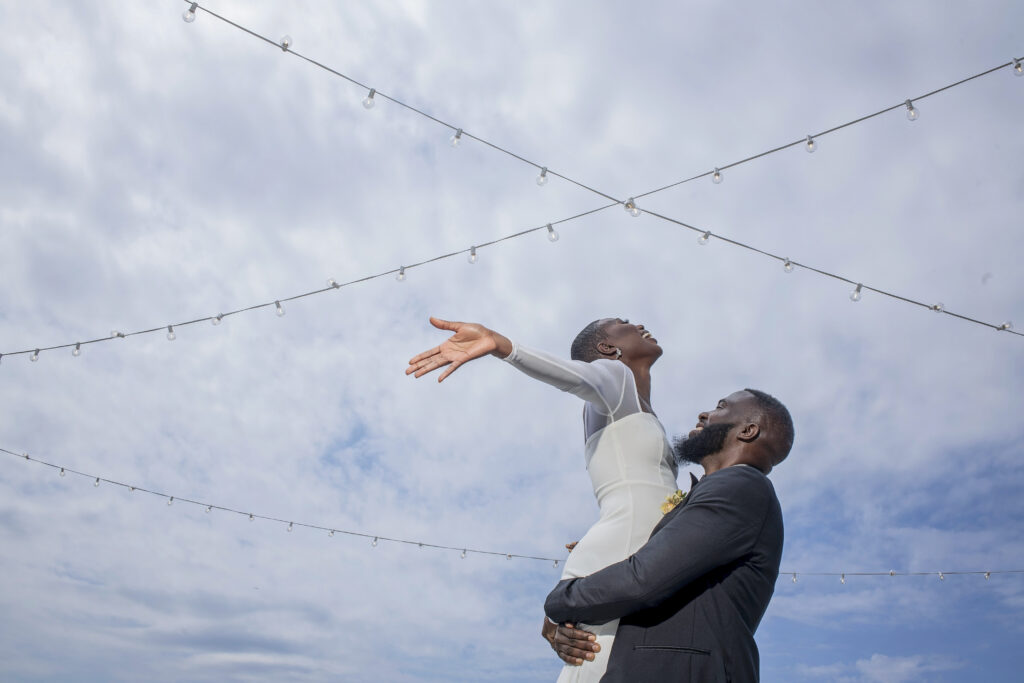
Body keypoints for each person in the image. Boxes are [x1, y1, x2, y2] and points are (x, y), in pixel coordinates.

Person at [407, 316, 679, 682]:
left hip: (629, 553)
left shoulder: (630, 404)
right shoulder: (617, 381)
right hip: (623, 551)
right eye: (625, 323)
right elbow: (575, 376)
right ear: (606, 349)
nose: (640, 324)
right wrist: (501, 344)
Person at [544, 389, 794, 682]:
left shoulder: (741, 486)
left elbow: (643, 579)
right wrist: (571, 623)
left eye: (721, 406)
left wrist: (560, 600)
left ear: (748, 430)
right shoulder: (720, 492)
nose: (704, 414)